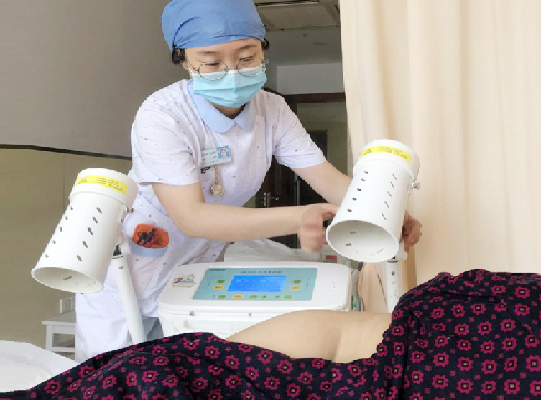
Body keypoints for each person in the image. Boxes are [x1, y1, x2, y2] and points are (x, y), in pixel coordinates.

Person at [74, 0, 422, 362]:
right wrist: (298, 217)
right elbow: (192, 217)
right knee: (106, 378)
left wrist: (386, 212)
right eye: (211, 62)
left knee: (180, 375)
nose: (232, 72)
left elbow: (328, 179)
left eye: (246, 57)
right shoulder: (162, 115)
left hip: (195, 273)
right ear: (184, 60)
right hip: (128, 272)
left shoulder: (273, 111)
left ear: (263, 50)